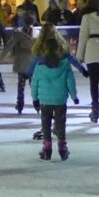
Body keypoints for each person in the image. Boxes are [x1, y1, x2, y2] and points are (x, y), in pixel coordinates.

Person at [30, 30, 75, 163]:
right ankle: (62, 146)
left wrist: (35, 98)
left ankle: (47, 148)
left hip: (45, 100)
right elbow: (70, 81)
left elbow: (34, 83)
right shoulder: (65, 64)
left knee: (46, 123)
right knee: (60, 123)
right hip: (60, 100)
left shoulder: (40, 66)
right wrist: (74, 96)